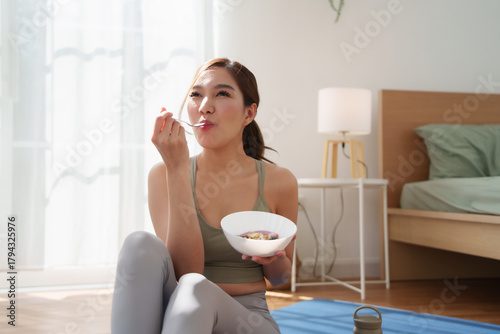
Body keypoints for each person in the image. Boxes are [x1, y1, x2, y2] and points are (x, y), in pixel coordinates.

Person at [111, 58, 298, 334]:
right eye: (196, 95)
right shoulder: (163, 174)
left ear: (249, 113)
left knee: (196, 288)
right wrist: (177, 171)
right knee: (139, 244)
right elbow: (184, 272)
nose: (204, 106)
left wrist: (275, 258)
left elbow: (281, 278)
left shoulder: (279, 181)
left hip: (247, 319)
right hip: (179, 317)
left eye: (222, 94)